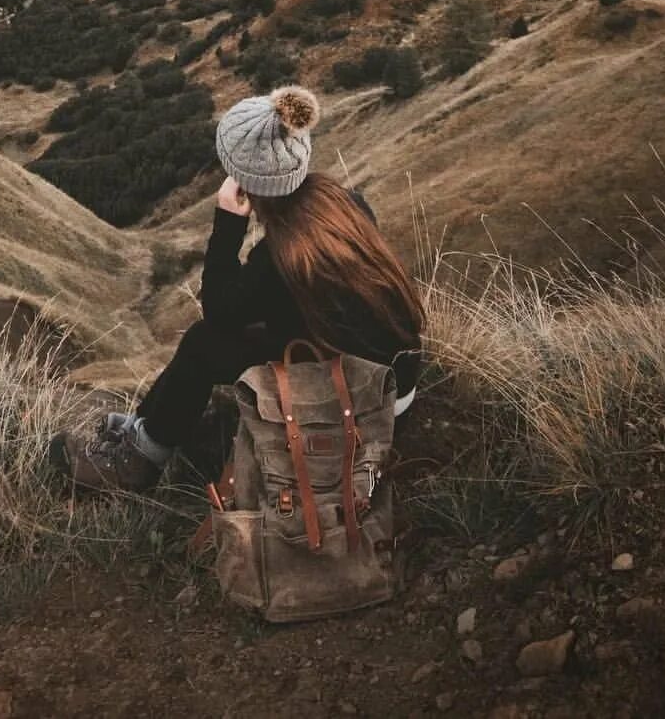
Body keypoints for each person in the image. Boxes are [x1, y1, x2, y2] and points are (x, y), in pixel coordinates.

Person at [49, 86, 424, 493]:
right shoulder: (343, 203)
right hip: (391, 389)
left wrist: (228, 224)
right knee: (207, 343)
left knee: (204, 345)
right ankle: (143, 433)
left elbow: (219, 312)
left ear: (245, 179)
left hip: (358, 410)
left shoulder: (280, 255)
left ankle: (135, 465)